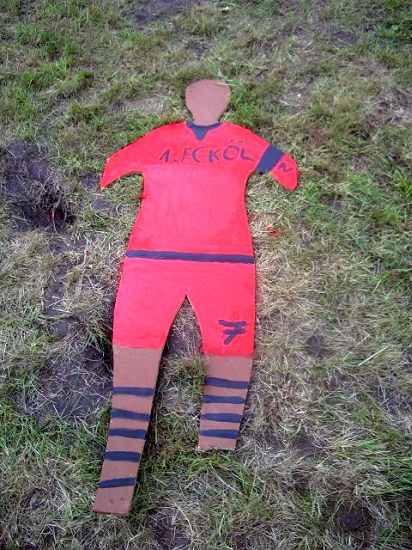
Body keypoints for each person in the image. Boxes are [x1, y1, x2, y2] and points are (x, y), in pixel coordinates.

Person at [93, 79, 298, 514]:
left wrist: (112, 171)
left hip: (221, 262)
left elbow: (284, 168)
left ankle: (216, 443)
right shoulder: (164, 138)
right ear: (189, 103)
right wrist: (112, 171)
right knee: (137, 346)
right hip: (156, 259)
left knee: (229, 345)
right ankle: (116, 479)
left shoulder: (237, 140)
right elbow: (116, 165)